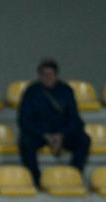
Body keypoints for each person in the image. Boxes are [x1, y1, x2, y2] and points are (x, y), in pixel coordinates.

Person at [17, 58, 90, 188]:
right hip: (40, 134)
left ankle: (74, 174)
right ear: (39, 76)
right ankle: (35, 179)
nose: (48, 77)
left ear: (56, 75)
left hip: (62, 132)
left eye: (51, 74)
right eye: (45, 75)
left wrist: (61, 135)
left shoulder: (66, 91)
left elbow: (74, 118)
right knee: (25, 143)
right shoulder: (31, 92)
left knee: (84, 140)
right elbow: (24, 120)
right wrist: (45, 135)